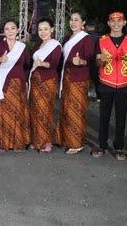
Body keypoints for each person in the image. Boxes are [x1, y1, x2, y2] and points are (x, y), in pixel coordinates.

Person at [91, 12, 127, 160]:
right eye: (113, 21)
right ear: (108, 23)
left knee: (121, 117)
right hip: (106, 83)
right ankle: (102, 146)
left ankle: (118, 147)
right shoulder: (101, 40)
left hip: (124, 84)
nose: (116, 23)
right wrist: (101, 60)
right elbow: (97, 62)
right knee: (104, 116)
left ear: (124, 22)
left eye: (119, 21)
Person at [55, 12, 94, 155]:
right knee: (66, 109)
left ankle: (76, 143)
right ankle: (65, 139)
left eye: (77, 20)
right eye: (71, 19)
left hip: (79, 79)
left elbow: (89, 59)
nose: (73, 22)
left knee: (75, 110)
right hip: (67, 78)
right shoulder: (67, 38)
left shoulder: (86, 39)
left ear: (83, 22)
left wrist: (81, 61)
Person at [0, 20, 31, 152]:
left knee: (18, 113)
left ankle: (18, 142)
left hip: (18, 85)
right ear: (4, 31)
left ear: (17, 30)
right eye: (7, 29)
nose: (10, 31)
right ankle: (4, 143)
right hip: (3, 84)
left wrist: (25, 80)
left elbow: (27, 66)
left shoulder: (22, 47)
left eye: (13, 28)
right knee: (3, 114)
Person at [28, 18, 62, 152]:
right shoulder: (37, 46)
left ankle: (46, 142)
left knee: (45, 111)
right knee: (35, 111)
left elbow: (54, 63)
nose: (43, 32)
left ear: (52, 30)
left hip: (47, 81)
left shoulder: (55, 45)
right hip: (35, 82)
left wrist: (43, 64)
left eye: (46, 29)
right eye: (40, 29)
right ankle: (37, 140)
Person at [85, 20, 102, 101]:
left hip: (86, 61)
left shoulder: (85, 36)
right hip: (96, 61)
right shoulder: (99, 36)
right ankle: (99, 97)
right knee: (96, 80)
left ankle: (83, 95)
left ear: (87, 27)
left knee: (84, 79)